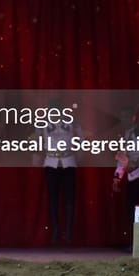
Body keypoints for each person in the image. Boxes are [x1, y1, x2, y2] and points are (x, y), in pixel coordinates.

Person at [35, 100, 81, 244]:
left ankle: (68, 231)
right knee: (53, 199)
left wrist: (74, 150)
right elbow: (36, 141)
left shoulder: (71, 124)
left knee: (69, 199)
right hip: (51, 163)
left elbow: (81, 140)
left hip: (68, 162)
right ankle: (55, 230)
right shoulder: (42, 126)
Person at [113, 107, 139, 240]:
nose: (123, 120)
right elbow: (122, 157)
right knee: (130, 209)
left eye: (126, 117)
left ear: (132, 118)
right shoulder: (125, 135)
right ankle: (134, 240)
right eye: (121, 117)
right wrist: (117, 177)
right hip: (131, 176)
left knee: (138, 209)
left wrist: (138, 162)